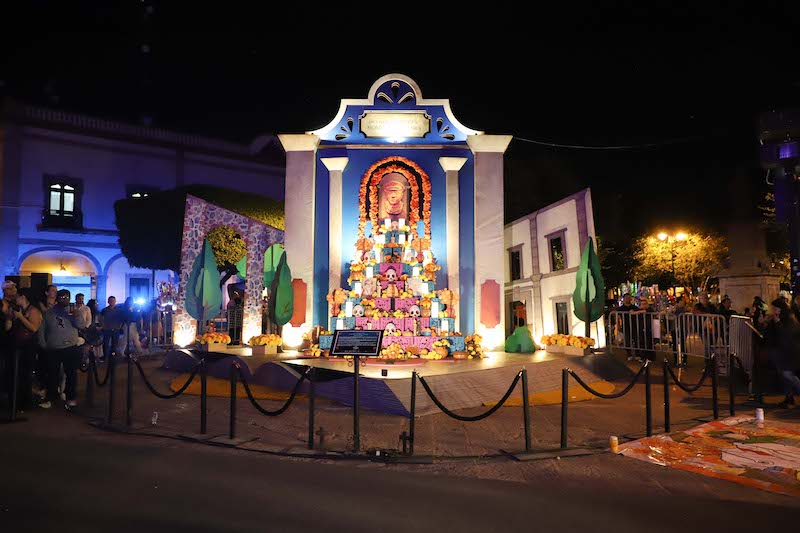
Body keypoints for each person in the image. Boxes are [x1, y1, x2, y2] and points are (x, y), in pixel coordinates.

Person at [37, 289, 83, 408]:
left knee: (71, 374)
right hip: (54, 348)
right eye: (62, 297)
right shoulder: (49, 313)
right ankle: (51, 398)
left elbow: (82, 326)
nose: (65, 299)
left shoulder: (74, 311)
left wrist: (77, 317)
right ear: (57, 298)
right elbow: (42, 329)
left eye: (67, 297)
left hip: (70, 347)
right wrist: (43, 344)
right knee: (52, 374)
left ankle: (70, 397)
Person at [9, 288, 42, 410]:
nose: (15, 298)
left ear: (23, 297)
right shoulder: (20, 310)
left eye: (17, 296)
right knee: (18, 374)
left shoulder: (33, 310)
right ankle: (18, 401)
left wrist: (21, 317)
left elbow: (34, 328)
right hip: (19, 346)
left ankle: (25, 402)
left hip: (29, 346)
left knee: (25, 374)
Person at [764, 298, 800, 408]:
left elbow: (785, 336)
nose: (774, 310)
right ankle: (789, 398)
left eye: (776, 308)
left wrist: (777, 323)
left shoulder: (790, 319)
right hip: (782, 352)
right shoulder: (780, 318)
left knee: (787, 375)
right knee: (784, 376)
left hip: (790, 352)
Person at [100, 296, 125, 360]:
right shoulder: (105, 310)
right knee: (106, 344)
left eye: (113, 301)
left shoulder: (118, 310)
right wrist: (103, 326)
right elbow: (101, 319)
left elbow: (122, 319)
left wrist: (120, 326)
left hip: (116, 329)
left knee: (115, 344)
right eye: (110, 301)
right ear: (108, 302)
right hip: (107, 329)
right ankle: (105, 356)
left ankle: (113, 357)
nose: (112, 302)